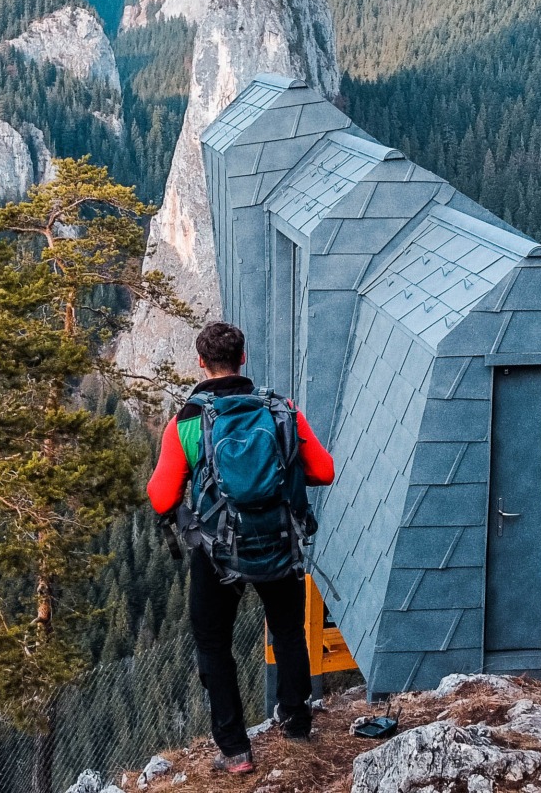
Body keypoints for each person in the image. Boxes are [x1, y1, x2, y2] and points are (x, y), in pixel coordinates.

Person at [148, 322, 336, 775]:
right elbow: (324, 470)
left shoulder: (187, 423)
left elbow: (161, 497)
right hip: (277, 541)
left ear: (200, 362)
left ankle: (234, 751)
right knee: (289, 631)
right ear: (243, 358)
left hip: (218, 553)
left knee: (213, 643)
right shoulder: (281, 409)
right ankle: (295, 722)